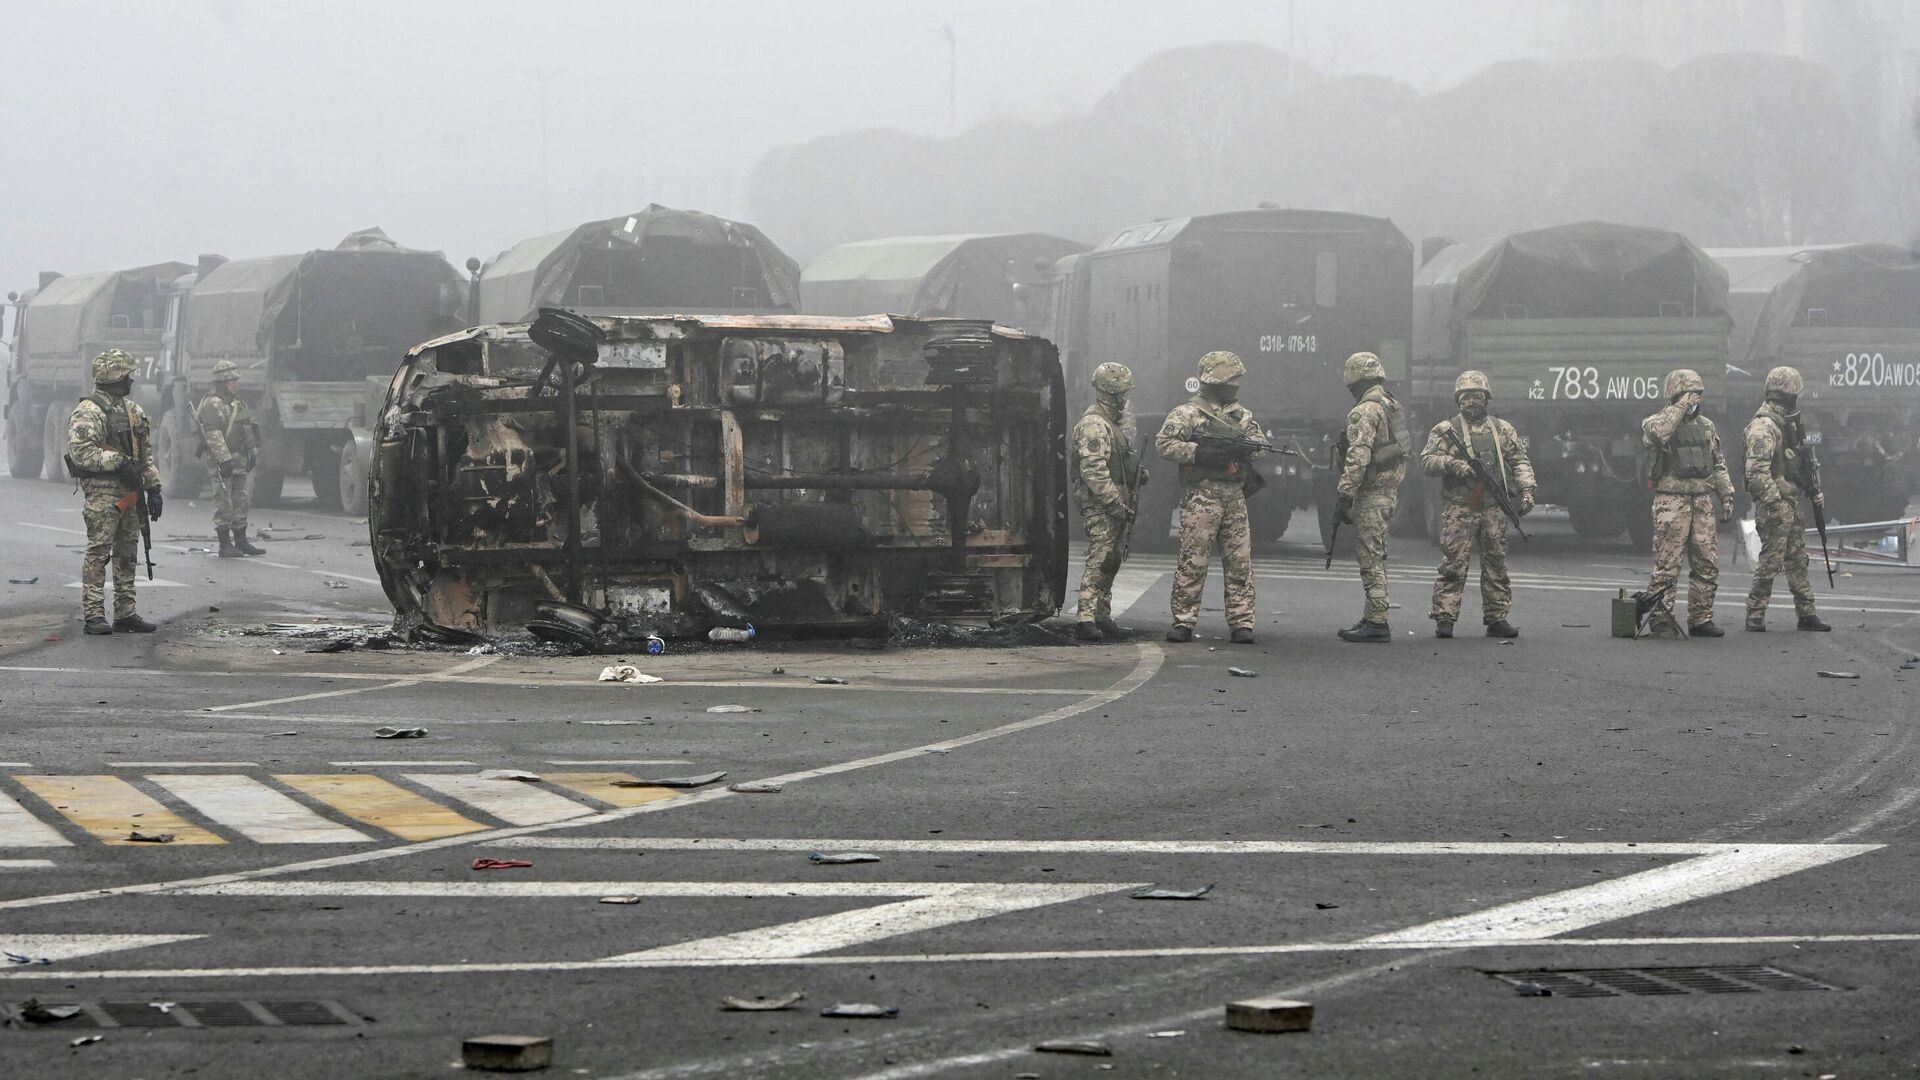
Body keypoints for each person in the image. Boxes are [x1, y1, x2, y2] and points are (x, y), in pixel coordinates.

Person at [1155, 350, 1263, 644]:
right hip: (1201, 495)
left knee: (1239, 562)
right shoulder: (1188, 413)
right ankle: (1183, 621)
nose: (1235, 385)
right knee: (1193, 560)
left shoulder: (1242, 416)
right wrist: (1199, 452)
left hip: (1233, 496)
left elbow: (1260, 443)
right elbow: (1164, 444)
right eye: (1231, 379)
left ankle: (1242, 622)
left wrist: (1246, 448)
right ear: (1215, 381)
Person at [1421, 370, 1536, 638]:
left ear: (1486, 398)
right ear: (1457, 400)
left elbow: (1519, 461)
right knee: (1453, 563)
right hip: (1460, 507)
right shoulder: (1446, 430)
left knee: (1496, 563)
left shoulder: (1502, 429)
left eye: (1476, 396)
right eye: (1466, 397)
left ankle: (1497, 617)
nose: (1471, 401)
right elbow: (1427, 461)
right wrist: (1454, 464)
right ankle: (1445, 617)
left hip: (1493, 506)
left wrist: (1527, 491)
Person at [65, 349, 163, 636]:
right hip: (103, 493)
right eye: (126, 375)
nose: (131, 380)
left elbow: (145, 455)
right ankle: (94, 615)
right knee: (99, 552)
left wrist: (154, 487)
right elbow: (82, 452)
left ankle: (125, 612)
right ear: (113, 376)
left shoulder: (133, 411)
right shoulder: (88, 411)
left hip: (131, 494)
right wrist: (118, 462)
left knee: (127, 553)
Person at [1640, 368, 1735, 639]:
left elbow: (1718, 464)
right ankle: (1661, 619)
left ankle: (1701, 618)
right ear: (1675, 395)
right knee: (1667, 564)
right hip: (1672, 501)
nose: (1695, 400)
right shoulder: (1655, 422)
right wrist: (1680, 406)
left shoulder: (1706, 427)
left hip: (1702, 501)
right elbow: (1660, 433)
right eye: (1689, 394)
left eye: (1697, 395)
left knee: (1707, 562)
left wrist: (1726, 495)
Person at [1743, 365, 1830, 632]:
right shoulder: (1764, 427)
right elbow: (1755, 472)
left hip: (1788, 501)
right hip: (1776, 505)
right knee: (1770, 561)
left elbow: (1796, 465)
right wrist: (1775, 503)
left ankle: (1806, 613)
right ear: (1788, 394)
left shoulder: (1785, 424)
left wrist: (1810, 488)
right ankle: (1755, 615)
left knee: (1797, 559)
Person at [1333, 351, 1410, 642]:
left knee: (1370, 557)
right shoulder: (1391, 404)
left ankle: (1377, 622)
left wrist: (1345, 493)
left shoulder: (1365, 410)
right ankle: (1372, 615)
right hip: (1388, 490)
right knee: (1377, 552)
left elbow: (1358, 456)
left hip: (1372, 492)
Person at [1072, 362, 1145, 641]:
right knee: (1100, 557)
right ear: (1113, 394)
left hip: (1111, 500)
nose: (1125, 398)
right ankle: (1086, 617)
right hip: (1100, 503)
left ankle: (1101, 615)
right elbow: (1093, 471)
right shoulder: (1095, 424)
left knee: (1110, 559)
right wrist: (1114, 502)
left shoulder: (1109, 424)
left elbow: (1112, 465)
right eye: (1122, 393)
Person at [196, 359, 266, 557]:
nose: (235, 383)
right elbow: (213, 434)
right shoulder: (212, 404)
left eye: (236, 379)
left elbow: (247, 428)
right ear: (221, 381)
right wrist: (224, 460)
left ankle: (241, 541)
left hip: (240, 459)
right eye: (231, 380)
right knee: (223, 501)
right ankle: (225, 544)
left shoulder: (236, 402)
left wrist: (252, 452)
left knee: (241, 500)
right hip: (222, 461)